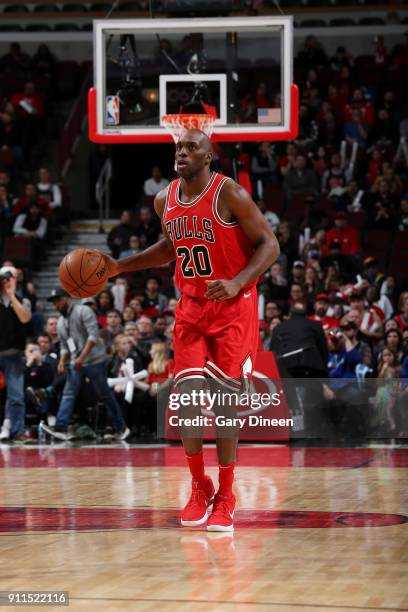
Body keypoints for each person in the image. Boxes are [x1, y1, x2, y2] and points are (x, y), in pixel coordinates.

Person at [102, 128, 279, 532]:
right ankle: (200, 485)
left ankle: (227, 493)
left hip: (233, 306)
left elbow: (270, 245)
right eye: (178, 147)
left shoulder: (229, 193)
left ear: (208, 156)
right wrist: (120, 265)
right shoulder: (165, 199)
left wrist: (237, 281)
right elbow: (169, 248)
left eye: (191, 148)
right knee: (184, 399)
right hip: (191, 308)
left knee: (223, 403)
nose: (182, 153)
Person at [40, 288, 129, 441]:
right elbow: (64, 345)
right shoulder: (61, 321)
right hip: (77, 363)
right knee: (69, 393)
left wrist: (81, 358)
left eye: (58, 300)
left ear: (68, 299)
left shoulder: (84, 311)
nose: (56, 304)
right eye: (54, 302)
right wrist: (62, 361)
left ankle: (121, 427)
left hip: (95, 361)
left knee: (105, 395)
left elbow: (94, 336)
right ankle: (61, 427)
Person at [0, 266, 32, 442]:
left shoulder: (22, 300)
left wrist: (11, 295)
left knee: (16, 396)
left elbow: (25, 318)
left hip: (14, 354)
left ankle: (18, 431)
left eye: (9, 277)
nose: (6, 280)